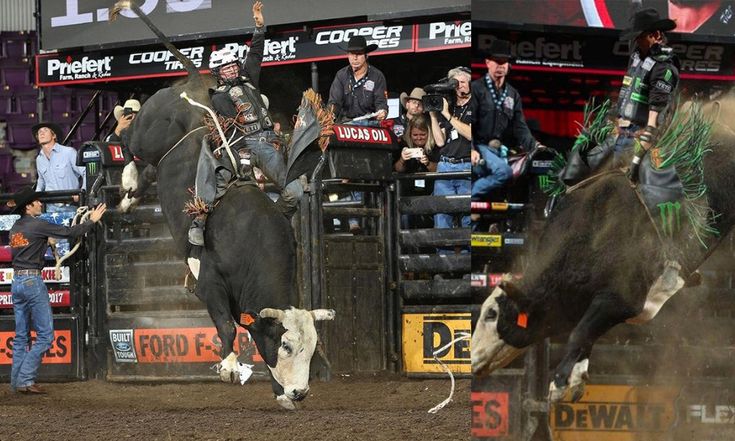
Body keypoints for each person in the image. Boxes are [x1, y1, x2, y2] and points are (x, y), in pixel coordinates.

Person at [188, 1, 303, 246]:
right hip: (241, 145)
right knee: (214, 169)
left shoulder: (249, 80)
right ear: (219, 73)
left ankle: (277, 219)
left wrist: (259, 28)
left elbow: (256, 53)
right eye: (226, 69)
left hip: (269, 143)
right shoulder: (218, 97)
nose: (231, 72)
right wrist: (243, 157)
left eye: (233, 67)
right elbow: (231, 128)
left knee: (296, 191)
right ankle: (200, 218)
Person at [7, 186, 106, 394]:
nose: (40, 203)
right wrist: (92, 220)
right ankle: (25, 379)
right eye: (37, 202)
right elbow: (71, 232)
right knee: (45, 336)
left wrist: (44, 240)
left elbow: (27, 245)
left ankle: (17, 382)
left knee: (21, 336)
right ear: (28, 206)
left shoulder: (16, 228)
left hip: (17, 282)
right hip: (33, 282)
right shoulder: (37, 225)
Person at [470, 38, 542, 201]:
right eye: (497, 61)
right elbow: (470, 122)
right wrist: (472, 148)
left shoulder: (512, 94)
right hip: (480, 146)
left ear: (509, 66)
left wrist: (535, 146)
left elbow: (520, 126)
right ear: (488, 62)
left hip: (500, 148)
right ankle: (471, 195)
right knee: (504, 172)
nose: (500, 65)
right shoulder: (476, 88)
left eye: (504, 62)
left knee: (518, 175)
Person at [617, 8, 679, 181]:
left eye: (640, 36)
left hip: (640, 138)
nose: (636, 41)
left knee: (626, 187)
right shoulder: (637, 58)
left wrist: (637, 157)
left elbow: (654, 121)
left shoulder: (663, 67)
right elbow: (626, 94)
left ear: (656, 35)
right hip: (623, 133)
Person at [429, 66, 473, 252]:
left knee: (467, 217)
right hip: (446, 166)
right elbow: (439, 141)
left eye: (462, 82)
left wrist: (447, 114)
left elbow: (471, 134)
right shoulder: (449, 105)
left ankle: (466, 265)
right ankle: (443, 265)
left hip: (467, 167)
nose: (459, 86)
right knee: (442, 216)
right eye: (455, 83)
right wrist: (433, 113)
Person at [327, 36, 388, 124]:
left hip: (370, 125)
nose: (355, 58)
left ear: (366, 55)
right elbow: (335, 102)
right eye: (351, 54)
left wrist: (382, 112)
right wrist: (329, 116)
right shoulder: (341, 75)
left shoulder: (377, 76)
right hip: (346, 125)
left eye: (359, 54)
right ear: (348, 55)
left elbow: (381, 102)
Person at [33, 122, 86, 213]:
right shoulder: (39, 159)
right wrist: (34, 198)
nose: (41, 133)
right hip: (49, 207)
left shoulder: (68, 152)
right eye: (39, 132)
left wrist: (82, 193)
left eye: (45, 130)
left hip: (69, 206)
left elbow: (85, 173)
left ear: (54, 136)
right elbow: (41, 182)